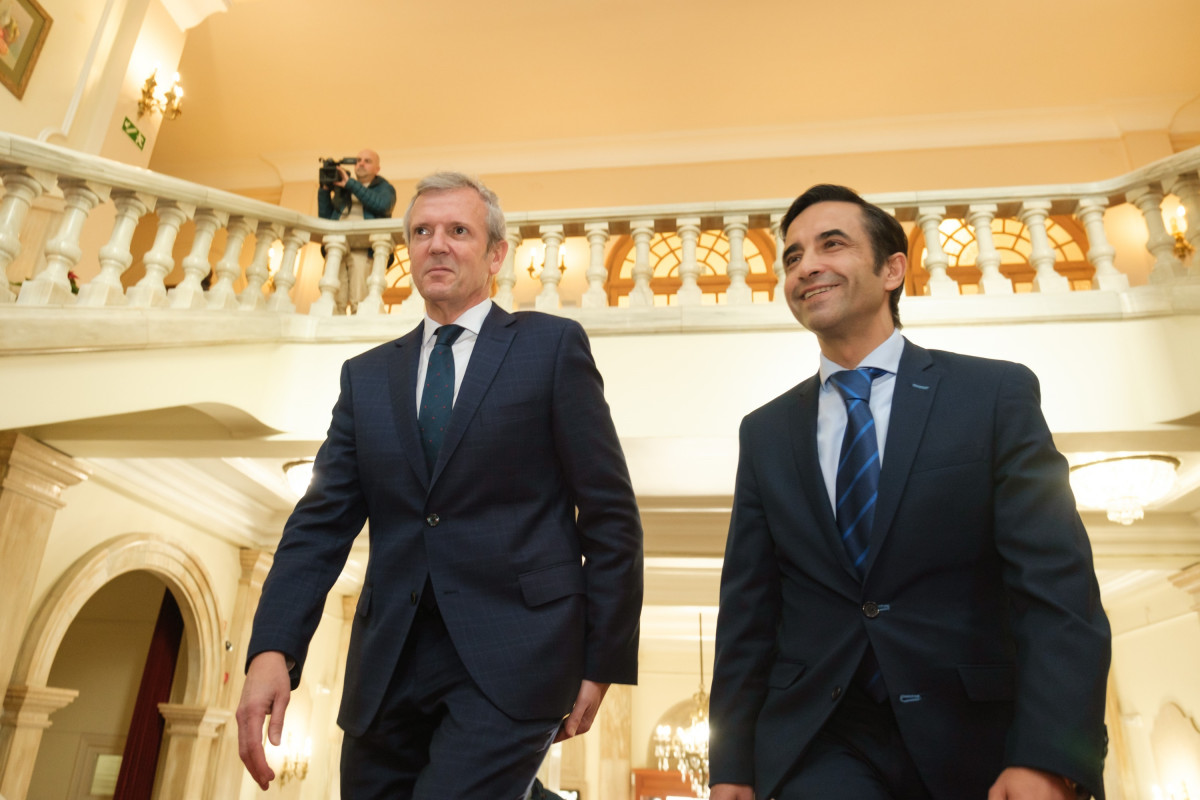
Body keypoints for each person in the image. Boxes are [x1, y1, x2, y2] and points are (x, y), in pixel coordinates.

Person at [238, 171, 644, 799]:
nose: (438, 244)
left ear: (496, 254)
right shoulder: (366, 377)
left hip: (516, 657)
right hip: (386, 668)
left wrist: (602, 658)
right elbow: (319, 526)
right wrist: (273, 649)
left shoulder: (550, 348)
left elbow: (610, 515)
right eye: (422, 232)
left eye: (459, 230)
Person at [708, 184, 1110, 800]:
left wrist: (1049, 755)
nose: (806, 265)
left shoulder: (992, 395)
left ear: (892, 269)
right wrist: (731, 767)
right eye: (792, 256)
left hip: (977, 734)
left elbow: (1057, 586)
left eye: (831, 245)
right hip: (820, 739)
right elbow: (749, 610)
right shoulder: (764, 431)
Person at [316, 148, 397, 313]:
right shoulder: (343, 189)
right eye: (358, 160)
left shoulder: (385, 188)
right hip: (337, 248)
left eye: (367, 161)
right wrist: (324, 190)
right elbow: (326, 218)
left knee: (360, 303)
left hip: (365, 250)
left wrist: (350, 184)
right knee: (333, 301)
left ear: (377, 169)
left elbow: (382, 205)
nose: (361, 163)